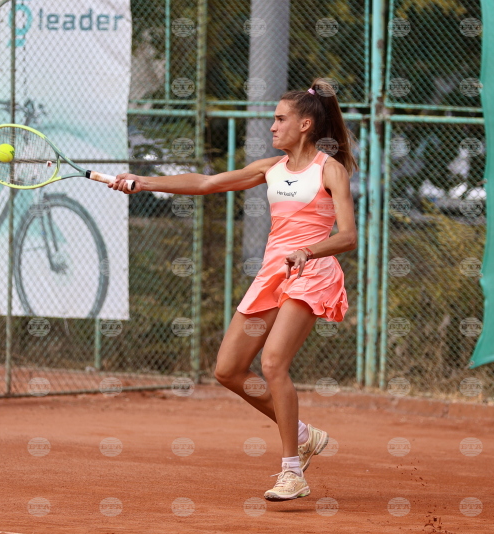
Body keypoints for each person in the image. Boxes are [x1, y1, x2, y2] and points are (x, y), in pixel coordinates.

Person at [108, 78, 358, 501]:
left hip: (313, 271)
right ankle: (302, 434)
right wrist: (144, 182)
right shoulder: (269, 169)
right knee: (228, 369)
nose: (273, 126)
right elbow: (207, 184)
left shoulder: (328, 170)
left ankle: (292, 472)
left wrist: (308, 250)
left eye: (280, 119)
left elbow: (348, 236)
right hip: (274, 272)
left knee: (273, 363)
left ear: (305, 125)